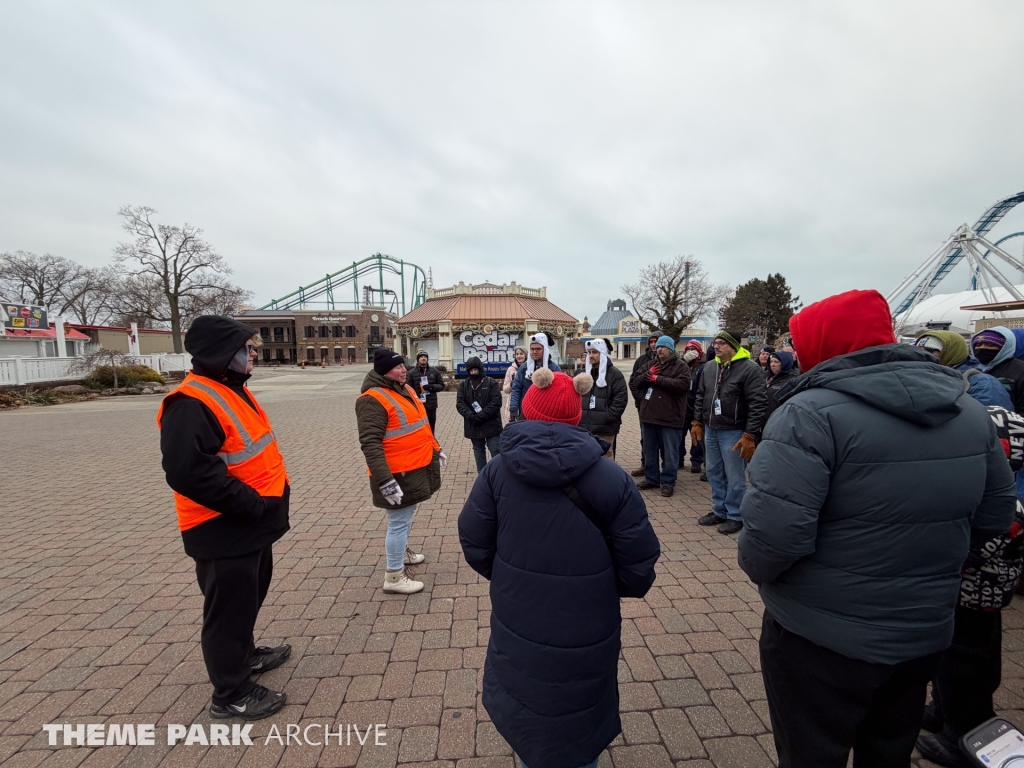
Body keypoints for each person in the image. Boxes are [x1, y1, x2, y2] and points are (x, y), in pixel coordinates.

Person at [736, 289, 1017, 768]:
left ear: (823, 344)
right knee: (889, 749)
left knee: (810, 754)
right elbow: (994, 517)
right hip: (923, 626)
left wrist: (767, 577)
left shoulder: (808, 413)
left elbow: (772, 539)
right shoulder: (969, 411)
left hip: (818, 633)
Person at [458, 367, 660, 768]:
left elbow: (474, 542)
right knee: (579, 718)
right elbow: (639, 568)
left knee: (529, 715)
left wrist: (509, 576)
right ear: (576, 414)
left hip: (520, 617)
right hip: (588, 623)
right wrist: (600, 587)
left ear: (528, 409)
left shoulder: (497, 472)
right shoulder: (612, 478)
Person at [157, 316, 292, 720]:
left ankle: (244, 656)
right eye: (245, 349)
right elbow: (189, 472)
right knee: (227, 611)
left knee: (247, 598)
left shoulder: (228, 390)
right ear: (222, 354)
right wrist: (251, 505)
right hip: (223, 526)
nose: (253, 355)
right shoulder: (192, 402)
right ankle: (231, 693)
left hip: (250, 523)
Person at [356, 347, 446, 595]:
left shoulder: (403, 389)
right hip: (397, 473)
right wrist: (385, 481)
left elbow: (422, 424)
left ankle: (401, 553)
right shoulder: (372, 400)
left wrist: (435, 449)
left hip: (414, 467)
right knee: (398, 521)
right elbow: (370, 444)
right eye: (398, 367)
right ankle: (394, 576)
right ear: (386, 371)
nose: (404, 370)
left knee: (405, 516)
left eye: (404, 365)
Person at [691, 330, 767, 534]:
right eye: (715, 342)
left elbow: (758, 403)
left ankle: (736, 515)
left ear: (733, 347)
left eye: (722, 343)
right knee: (714, 472)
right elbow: (700, 395)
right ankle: (720, 510)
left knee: (734, 476)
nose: (717, 346)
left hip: (734, 431)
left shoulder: (750, 369)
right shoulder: (709, 367)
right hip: (711, 428)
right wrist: (697, 421)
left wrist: (750, 434)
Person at [634, 336, 690, 497]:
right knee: (649, 450)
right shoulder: (651, 365)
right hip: (648, 416)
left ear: (671, 349)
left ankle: (668, 482)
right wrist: (647, 376)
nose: (659, 350)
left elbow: (683, 385)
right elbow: (635, 381)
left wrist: (658, 379)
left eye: (663, 347)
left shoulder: (681, 366)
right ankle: (651, 478)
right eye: (658, 347)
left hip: (670, 418)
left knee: (670, 453)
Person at [914, 331, 1012, 410]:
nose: (922, 354)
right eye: (918, 349)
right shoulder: (918, 375)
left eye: (930, 350)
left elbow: (995, 423)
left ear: (952, 351)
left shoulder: (983, 383)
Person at [577, 338, 628, 458]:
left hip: (605, 427)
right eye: (589, 352)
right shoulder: (582, 374)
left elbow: (620, 399)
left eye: (594, 352)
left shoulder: (615, 374)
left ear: (603, 353)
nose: (590, 356)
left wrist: (608, 416)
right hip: (584, 426)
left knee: (606, 458)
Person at [456, 356, 503, 472]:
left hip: (491, 424)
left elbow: (496, 402)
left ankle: (499, 474)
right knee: (478, 451)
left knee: (495, 450)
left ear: (480, 368)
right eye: (470, 370)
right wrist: (471, 416)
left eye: (475, 370)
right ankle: (482, 476)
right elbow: (460, 403)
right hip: (473, 425)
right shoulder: (464, 385)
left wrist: (482, 415)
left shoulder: (490, 382)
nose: (473, 372)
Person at [509, 332, 561, 421]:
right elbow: (516, 389)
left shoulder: (554, 368)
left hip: (546, 414)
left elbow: (560, 392)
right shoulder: (524, 368)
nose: (534, 352)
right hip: (526, 413)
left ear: (545, 349)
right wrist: (513, 408)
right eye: (532, 349)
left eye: (538, 349)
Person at [971, 326, 1024, 413]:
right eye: (978, 344)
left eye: (991, 345)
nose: (982, 348)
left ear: (1004, 347)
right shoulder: (971, 369)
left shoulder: (1020, 370)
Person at [629, 334, 660, 477]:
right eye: (651, 342)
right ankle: (645, 464)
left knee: (664, 439)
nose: (653, 344)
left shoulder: (670, 361)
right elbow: (633, 382)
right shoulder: (641, 360)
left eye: (656, 342)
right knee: (646, 438)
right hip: (644, 407)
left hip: (663, 408)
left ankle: (666, 470)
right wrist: (640, 399)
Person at [679, 340, 705, 473]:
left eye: (693, 349)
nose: (690, 352)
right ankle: (679, 458)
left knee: (697, 435)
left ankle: (696, 460)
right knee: (679, 436)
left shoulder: (704, 366)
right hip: (682, 407)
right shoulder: (682, 364)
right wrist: (683, 361)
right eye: (687, 349)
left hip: (696, 407)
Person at [406, 351, 446, 433]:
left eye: (425, 357)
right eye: (421, 357)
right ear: (418, 359)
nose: (423, 358)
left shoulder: (434, 371)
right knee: (419, 428)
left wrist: (431, 387)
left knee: (431, 428)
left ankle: (432, 445)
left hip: (431, 405)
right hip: (417, 405)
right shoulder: (411, 373)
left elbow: (442, 386)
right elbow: (407, 389)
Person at [765, 350, 798, 419]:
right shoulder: (767, 376)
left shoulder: (792, 380)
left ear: (784, 363)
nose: (772, 365)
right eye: (771, 362)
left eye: (776, 362)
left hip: (779, 418)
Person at [502, 347, 527, 422]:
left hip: (526, 402)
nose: (519, 356)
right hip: (514, 404)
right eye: (517, 354)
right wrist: (511, 384)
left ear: (526, 355)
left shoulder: (530, 368)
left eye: (521, 354)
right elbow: (505, 389)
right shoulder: (511, 369)